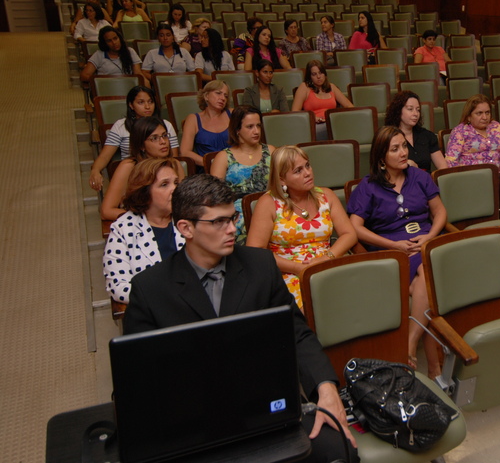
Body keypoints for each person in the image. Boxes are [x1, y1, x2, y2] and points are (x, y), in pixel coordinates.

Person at [123, 174, 359, 463]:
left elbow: (296, 332)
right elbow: (138, 376)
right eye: (218, 222)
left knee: (342, 451)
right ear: (186, 228)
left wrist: (325, 387)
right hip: (192, 416)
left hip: (264, 402)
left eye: (232, 218)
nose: (232, 229)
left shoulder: (260, 266)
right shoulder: (151, 288)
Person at [347, 126, 447, 378]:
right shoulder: (368, 187)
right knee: (430, 282)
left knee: (426, 274)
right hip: (392, 252)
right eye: (395, 149)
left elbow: (440, 212)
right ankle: (434, 368)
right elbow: (354, 228)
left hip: (425, 244)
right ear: (381, 157)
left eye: (404, 146)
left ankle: (410, 343)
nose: (403, 152)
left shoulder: (419, 176)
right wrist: (393, 245)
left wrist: (429, 237)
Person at [246, 146, 357, 310]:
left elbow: (349, 234)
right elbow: (256, 252)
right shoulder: (269, 203)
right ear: (282, 179)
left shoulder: (326, 195)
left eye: (307, 166)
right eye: (298, 171)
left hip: (328, 265)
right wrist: (298, 268)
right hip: (288, 272)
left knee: (355, 298)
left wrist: (326, 258)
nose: (307, 173)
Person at [103, 158, 185, 304]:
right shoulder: (123, 229)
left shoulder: (191, 218)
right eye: (164, 184)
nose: (175, 189)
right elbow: (118, 287)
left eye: (176, 183)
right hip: (154, 309)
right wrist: (165, 300)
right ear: (144, 193)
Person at [88, 85, 179, 191]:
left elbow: (173, 157)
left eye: (150, 102)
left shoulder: (166, 125)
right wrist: (95, 170)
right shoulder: (121, 126)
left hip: (162, 171)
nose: (147, 106)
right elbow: (105, 156)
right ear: (131, 105)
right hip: (132, 173)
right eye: (141, 102)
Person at [210, 105, 276, 244]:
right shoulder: (223, 157)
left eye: (258, 126)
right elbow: (215, 197)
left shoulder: (271, 151)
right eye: (250, 127)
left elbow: (283, 183)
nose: (256, 131)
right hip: (237, 213)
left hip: (271, 206)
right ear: (237, 130)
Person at [100, 117, 183, 221]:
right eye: (154, 138)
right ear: (141, 145)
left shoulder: (175, 164)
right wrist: (144, 220)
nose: (163, 142)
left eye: (164, 135)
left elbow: (182, 202)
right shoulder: (128, 167)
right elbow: (106, 211)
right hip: (138, 224)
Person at [445, 94, 500, 213]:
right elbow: (451, 162)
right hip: (473, 179)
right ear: (469, 116)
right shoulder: (460, 131)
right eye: (479, 113)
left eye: (487, 113)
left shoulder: (496, 127)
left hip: (499, 180)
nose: (485, 117)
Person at [384, 90, 447, 172]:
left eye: (418, 110)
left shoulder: (427, 136)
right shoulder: (388, 137)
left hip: (425, 179)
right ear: (398, 111)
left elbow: (443, 167)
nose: (415, 114)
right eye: (410, 109)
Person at [292, 60, 354, 140]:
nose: (318, 76)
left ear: (325, 74)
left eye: (320, 73)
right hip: (315, 125)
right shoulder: (304, 87)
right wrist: (313, 118)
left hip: (333, 122)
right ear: (309, 76)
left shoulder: (331, 87)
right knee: (335, 129)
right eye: (314, 74)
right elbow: (295, 111)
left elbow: (349, 105)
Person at [180, 80, 231, 171]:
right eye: (218, 93)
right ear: (206, 96)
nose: (223, 98)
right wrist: (213, 164)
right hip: (206, 169)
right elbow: (185, 152)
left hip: (233, 167)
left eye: (225, 96)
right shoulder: (193, 119)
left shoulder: (232, 114)